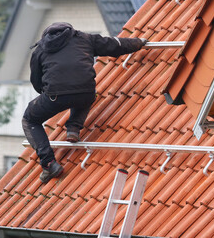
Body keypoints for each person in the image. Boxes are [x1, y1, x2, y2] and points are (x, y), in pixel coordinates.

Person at [22, 22, 147, 183]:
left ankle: (48, 163)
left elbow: (36, 81)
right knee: (84, 91)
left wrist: (49, 94)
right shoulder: (84, 39)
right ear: (70, 31)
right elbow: (114, 45)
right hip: (85, 93)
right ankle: (73, 128)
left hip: (55, 96)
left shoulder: (40, 49)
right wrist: (139, 43)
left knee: (30, 119)